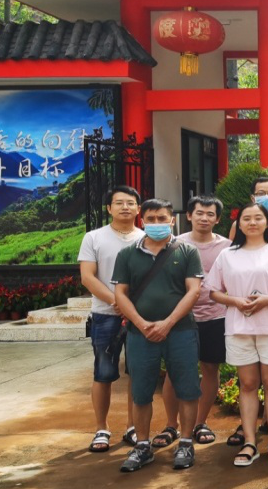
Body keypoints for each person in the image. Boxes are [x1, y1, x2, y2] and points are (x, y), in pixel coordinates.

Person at [205, 203, 268, 467]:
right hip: (240, 327)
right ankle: (249, 442)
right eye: (246, 218)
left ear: (267, 222)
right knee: (248, 384)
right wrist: (236, 301)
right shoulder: (227, 255)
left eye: (257, 218)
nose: (252, 223)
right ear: (238, 224)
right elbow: (213, 291)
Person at [111, 199, 205, 473]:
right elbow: (120, 294)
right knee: (141, 392)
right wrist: (141, 324)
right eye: (150, 219)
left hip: (181, 331)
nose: (156, 224)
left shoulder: (187, 251)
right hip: (140, 334)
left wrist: (168, 323)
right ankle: (142, 446)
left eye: (162, 219)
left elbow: (194, 291)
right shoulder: (127, 254)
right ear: (142, 221)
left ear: (172, 220)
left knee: (187, 389)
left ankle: (185, 442)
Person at [152, 194, 230, 451]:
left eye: (210, 214)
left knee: (210, 369)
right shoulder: (174, 244)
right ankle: (171, 424)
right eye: (199, 213)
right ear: (189, 216)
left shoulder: (227, 247)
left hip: (216, 316)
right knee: (174, 372)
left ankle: (200, 423)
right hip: (180, 317)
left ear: (217, 219)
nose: (204, 218)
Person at [77, 185, 144, 454]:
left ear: (138, 209)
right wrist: (118, 302)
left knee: (137, 373)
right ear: (109, 208)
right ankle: (101, 428)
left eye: (130, 203)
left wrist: (132, 308)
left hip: (140, 317)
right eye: (119, 203)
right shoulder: (93, 237)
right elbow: (88, 277)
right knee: (103, 373)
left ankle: (132, 427)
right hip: (105, 315)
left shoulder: (146, 238)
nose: (125, 207)